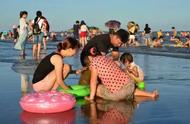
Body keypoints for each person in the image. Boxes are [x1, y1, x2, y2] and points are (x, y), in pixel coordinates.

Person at [84, 47, 159, 101]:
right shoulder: (106, 58)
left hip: (119, 94)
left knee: (97, 88)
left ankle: (93, 98)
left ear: (90, 57)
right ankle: (150, 94)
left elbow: (93, 82)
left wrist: (91, 98)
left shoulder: (94, 62)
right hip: (130, 85)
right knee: (128, 89)